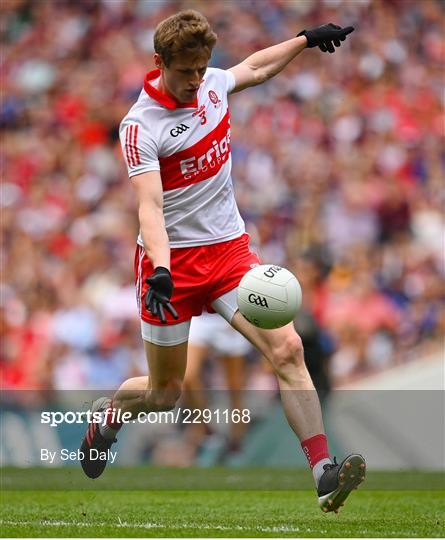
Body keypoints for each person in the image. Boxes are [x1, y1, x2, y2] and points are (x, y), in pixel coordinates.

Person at [80, 10, 365, 513]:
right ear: (159, 63)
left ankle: (323, 472)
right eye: (186, 71)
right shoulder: (139, 126)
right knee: (166, 393)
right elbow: (149, 205)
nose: (196, 81)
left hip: (229, 252)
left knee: (288, 349)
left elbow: (254, 68)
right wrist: (163, 269)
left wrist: (303, 40)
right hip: (171, 267)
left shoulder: (211, 83)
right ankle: (106, 419)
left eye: (202, 69)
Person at [183, 310, 253, 459]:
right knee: (187, 376)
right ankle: (205, 426)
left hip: (229, 315)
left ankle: (236, 443)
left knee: (235, 388)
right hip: (201, 316)